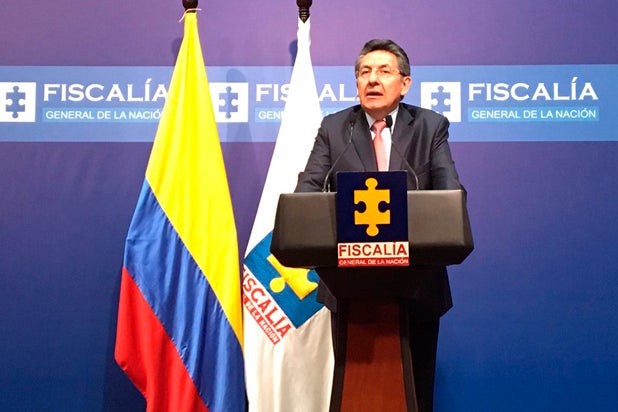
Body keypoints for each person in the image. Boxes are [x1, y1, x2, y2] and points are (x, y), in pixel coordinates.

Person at [295, 39, 463, 412]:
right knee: (356, 387)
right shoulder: (335, 128)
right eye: (364, 72)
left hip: (417, 283)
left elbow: (449, 193)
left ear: (405, 84)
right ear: (356, 83)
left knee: (416, 392)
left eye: (384, 71)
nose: (372, 79)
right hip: (349, 284)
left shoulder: (430, 126)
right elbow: (306, 194)